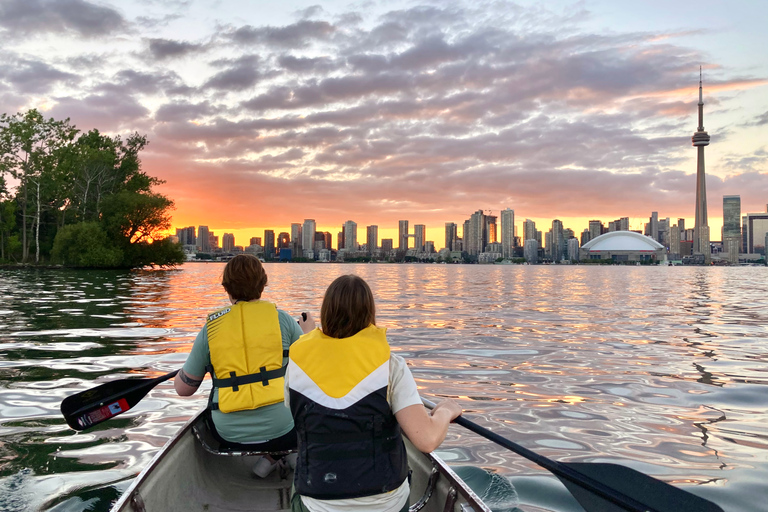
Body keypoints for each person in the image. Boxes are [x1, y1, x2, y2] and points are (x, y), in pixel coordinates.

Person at [285, 274, 462, 512]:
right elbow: (426, 439)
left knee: (294, 484)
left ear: (326, 313)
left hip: (317, 503)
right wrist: (444, 411)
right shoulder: (391, 366)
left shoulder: (296, 366)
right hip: (385, 505)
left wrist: (309, 338)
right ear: (370, 314)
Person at [174, 254, 313, 477]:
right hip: (283, 431)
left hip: (226, 435)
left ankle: (271, 458)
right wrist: (308, 334)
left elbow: (184, 389)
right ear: (263, 284)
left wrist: (187, 371)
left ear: (226, 288)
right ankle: (280, 455)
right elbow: (314, 366)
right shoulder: (284, 321)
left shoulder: (210, 330)